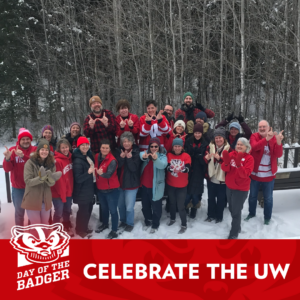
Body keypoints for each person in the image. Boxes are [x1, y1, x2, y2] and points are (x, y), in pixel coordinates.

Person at [245, 121, 284, 225]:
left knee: (268, 198)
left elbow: (278, 154)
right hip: (255, 174)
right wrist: (266, 139)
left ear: (268, 127)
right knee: (253, 196)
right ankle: (251, 213)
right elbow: (254, 147)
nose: (262, 128)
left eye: (264, 126)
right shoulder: (254, 136)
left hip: (269, 175)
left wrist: (279, 142)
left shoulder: (274, 138)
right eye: (260, 127)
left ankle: (267, 218)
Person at [22, 139, 62, 227]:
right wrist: (40, 179)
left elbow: (50, 184)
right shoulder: (30, 163)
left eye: (46, 150)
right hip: (33, 199)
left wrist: (51, 180)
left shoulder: (51, 164)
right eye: (42, 150)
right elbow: (28, 181)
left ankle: (44, 241)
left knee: (45, 225)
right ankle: (34, 241)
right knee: (36, 226)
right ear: (38, 150)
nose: (44, 151)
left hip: (46, 200)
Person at [3, 128, 37, 226]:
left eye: (28, 139)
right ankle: (19, 235)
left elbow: (36, 166)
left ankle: (32, 232)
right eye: (23, 139)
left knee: (33, 213)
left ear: (31, 140)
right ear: (19, 140)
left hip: (32, 187)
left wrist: (23, 157)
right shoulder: (12, 150)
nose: (25, 141)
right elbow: (6, 169)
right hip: (18, 188)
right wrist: (8, 159)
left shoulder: (35, 150)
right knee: (19, 213)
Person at [222, 138, 254, 239]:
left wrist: (239, 164)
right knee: (231, 208)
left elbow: (246, 174)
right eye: (238, 144)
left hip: (241, 189)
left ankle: (234, 233)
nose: (239, 146)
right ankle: (237, 226)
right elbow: (225, 169)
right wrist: (226, 162)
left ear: (246, 147)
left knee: (236, 211)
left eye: (242, 145)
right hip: (229, 186)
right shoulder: (232, 155)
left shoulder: (249, 158)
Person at [140, 137, 167, 233]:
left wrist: (156, 159)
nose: (154, 148)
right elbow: (141, 155)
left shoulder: (162, 156)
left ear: (159, 147)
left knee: (156, 207)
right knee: (145, 206)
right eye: (152, 146)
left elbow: (162, 165)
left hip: (156, 187)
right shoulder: (146, 154)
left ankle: (155, 224)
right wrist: (144, 157)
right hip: (144, 186)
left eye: (156, 146)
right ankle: (148, 220)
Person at [95, 139, 120, 239]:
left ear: (109, 149)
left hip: (111, 190)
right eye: (103, 148)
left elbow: (109, 174)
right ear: (100, 148)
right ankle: (105, 224)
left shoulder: (112, 160)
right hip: (101, 189)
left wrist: (101, 174)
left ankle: (114, 230)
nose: (104, 150)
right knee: (104, 209)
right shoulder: (97, 156)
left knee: (113, 210)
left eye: (107, 148)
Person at [204, 127, 231, 223]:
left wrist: (220, 159)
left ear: (224, 139)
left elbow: (229, 164)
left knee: (221, 200)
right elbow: (205, 159)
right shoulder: (210, 147)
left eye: (220, 137)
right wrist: (206, 159)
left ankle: (219, 217)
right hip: (211, 178)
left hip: (222, 180)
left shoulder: (229, 149)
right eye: (216, 138)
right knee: (211, 198)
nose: (218, 140)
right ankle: (210, 215)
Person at [116, 132, 140, 232]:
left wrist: (129, 159)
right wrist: (121, 158)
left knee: (129, 207)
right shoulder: (118, 152)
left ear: (132, 142)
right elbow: (116, 167)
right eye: (124, 141)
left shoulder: (136, 152)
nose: (126, 143)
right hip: (119, 184)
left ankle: (130, 223)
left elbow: (134, 169)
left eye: (128, 141)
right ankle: (123, 221)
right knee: (121, 206)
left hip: (132, 184)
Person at [166, 138, 191, 233]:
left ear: (182, 147)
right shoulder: (169, 155)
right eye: (175, 146)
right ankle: (172, 218)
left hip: (182, 186)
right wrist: (172, 168)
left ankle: (184, 224)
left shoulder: (186, 156)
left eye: (179, 146)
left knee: (180, 206)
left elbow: (188, 167)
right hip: (171, 185)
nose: (177, 148)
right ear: (173, 147)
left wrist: (183, 169)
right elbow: (167, 166)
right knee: (172, 203)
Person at [72, 137, 95, 238]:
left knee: (88, 210)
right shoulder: (78, 160)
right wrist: (88, 173)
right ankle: (79, 229)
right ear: (79, 146)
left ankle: (84, 227)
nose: (85, 146)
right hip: (82, 191)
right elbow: (78, 179)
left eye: (86, 144)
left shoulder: (87, 156)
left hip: (89, 188)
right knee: (83, 211)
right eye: (82, 145)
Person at [184, 124, 208, 219]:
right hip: (189, 170)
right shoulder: (188, 141)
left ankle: (194, 208)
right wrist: (191, 153)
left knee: (196, 193)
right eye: (195, 133)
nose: (197, 135)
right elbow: (185, 154)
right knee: (187, 192)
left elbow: (206, 160)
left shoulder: (205, 143)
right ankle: (186, 206)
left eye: (199, 133)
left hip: (199, 171)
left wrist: (200, 157)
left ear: (201, 133)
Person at [51, 139, 74, 236]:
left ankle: (66, 225)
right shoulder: (56, 161)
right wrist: (62, 194)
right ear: (59, 149)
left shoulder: (70, 158)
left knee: (67, 210)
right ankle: (56, 230)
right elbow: (58, 180)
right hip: (58, 193)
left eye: (66, 147)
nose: (65, 149)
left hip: (68, 191)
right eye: (63, 147)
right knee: (58, 212)